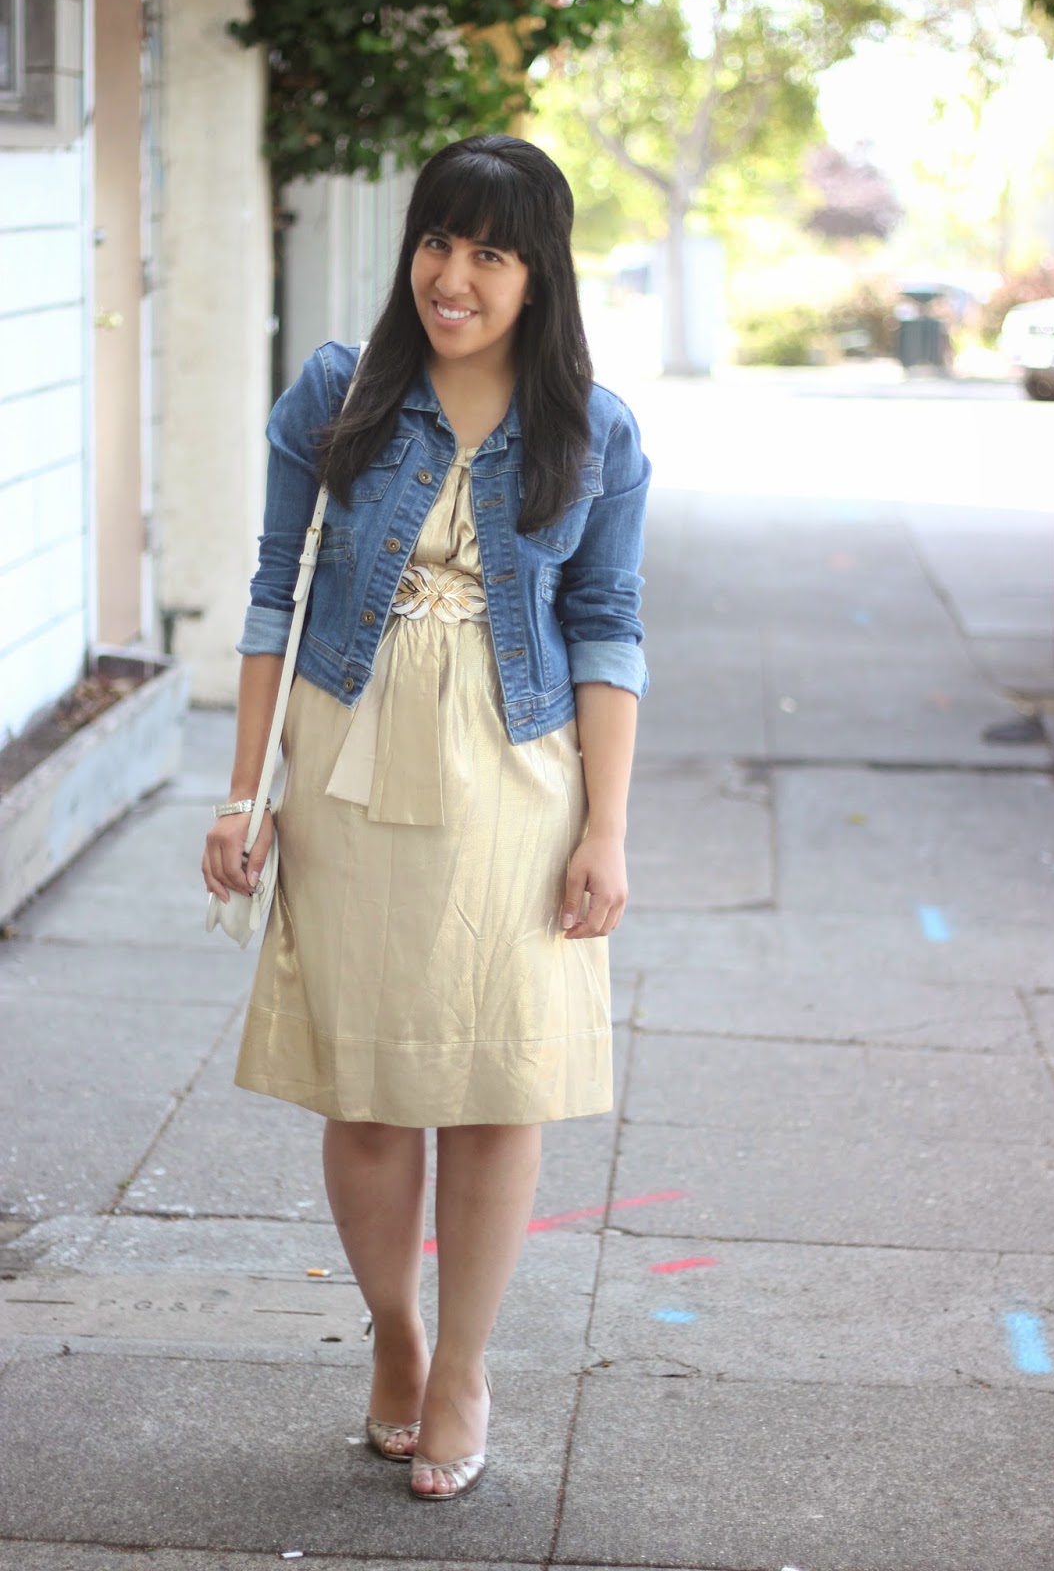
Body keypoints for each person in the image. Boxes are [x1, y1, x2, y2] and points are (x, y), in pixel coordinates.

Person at [201, 134, 650, 1502]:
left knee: (495, 1078)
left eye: (490, 253)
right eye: (437, 243)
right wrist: (244, 790)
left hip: (518, 775)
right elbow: (276, 587)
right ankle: (394, 1334)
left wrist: (605, 830)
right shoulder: (341, 391)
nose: (453, 277)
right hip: (349, 754)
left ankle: (464, 1361)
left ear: (537, 273)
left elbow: (608, 625)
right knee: (371, 1083)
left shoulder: (596, 428)